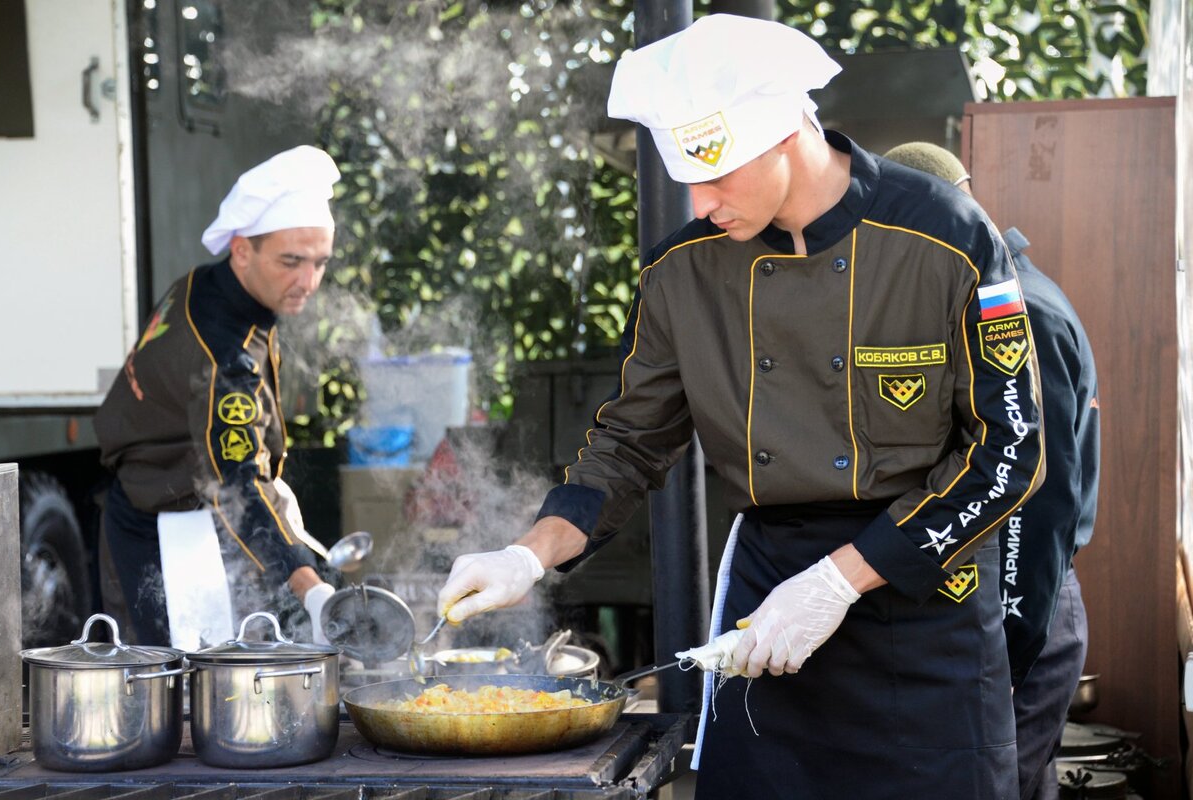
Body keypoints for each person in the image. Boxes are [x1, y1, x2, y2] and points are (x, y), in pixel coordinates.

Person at [437, 15, 1045, 799]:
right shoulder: (681, 274)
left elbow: (1009, 451)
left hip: (922, 605)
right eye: (689, 176)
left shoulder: (948, 237)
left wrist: (837, 583)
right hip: (768, 610)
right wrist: (526, 555)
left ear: (789, 134)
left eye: (719, 175)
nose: (702, 200)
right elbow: (625, 446)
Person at [884, 141, 1100, 800]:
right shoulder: (990, 296)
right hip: (1000, 603)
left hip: (1020, 604)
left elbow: (1033, 508)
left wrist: (1005, 645)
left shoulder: (1022, 315)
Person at [94, 145, 340, 648]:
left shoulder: (204, 284)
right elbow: (236, 487)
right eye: (291, 262)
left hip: (181, 500)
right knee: (176, 692)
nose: (307, 282)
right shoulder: (223, 359)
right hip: (163, 531)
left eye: (319, 263)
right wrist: (310, 588)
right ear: (241, 250)